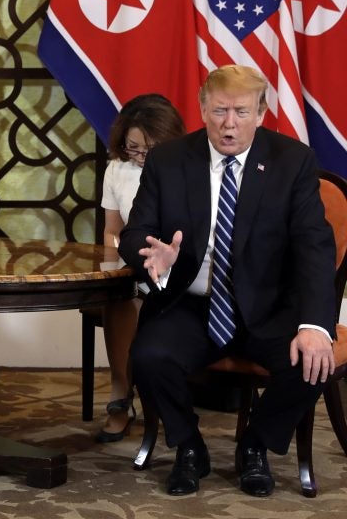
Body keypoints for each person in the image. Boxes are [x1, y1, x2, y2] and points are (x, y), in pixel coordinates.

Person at [119, 65, 335, 497]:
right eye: (219, 111)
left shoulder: (292, 161)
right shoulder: (170, 158)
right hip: (193, 302)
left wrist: (315, 326)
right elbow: (133, 234)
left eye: (240, 111)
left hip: (268, 307)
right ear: (202, 109)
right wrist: (152, 252)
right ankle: (189, 447)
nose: (228, 123)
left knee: (312, 364)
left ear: (261, 112)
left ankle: (254, 447)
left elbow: (315, 248)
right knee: (148, 356)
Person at [96, 94, 186, 443]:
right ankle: (121, 395)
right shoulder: (118, 169)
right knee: (118, 296)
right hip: (134, 263)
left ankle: (163, 395)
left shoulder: (188, 167)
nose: (141, 155)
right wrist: (115, 267)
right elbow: (112, 231)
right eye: (134, 147)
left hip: (178, 265)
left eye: (150, 148)